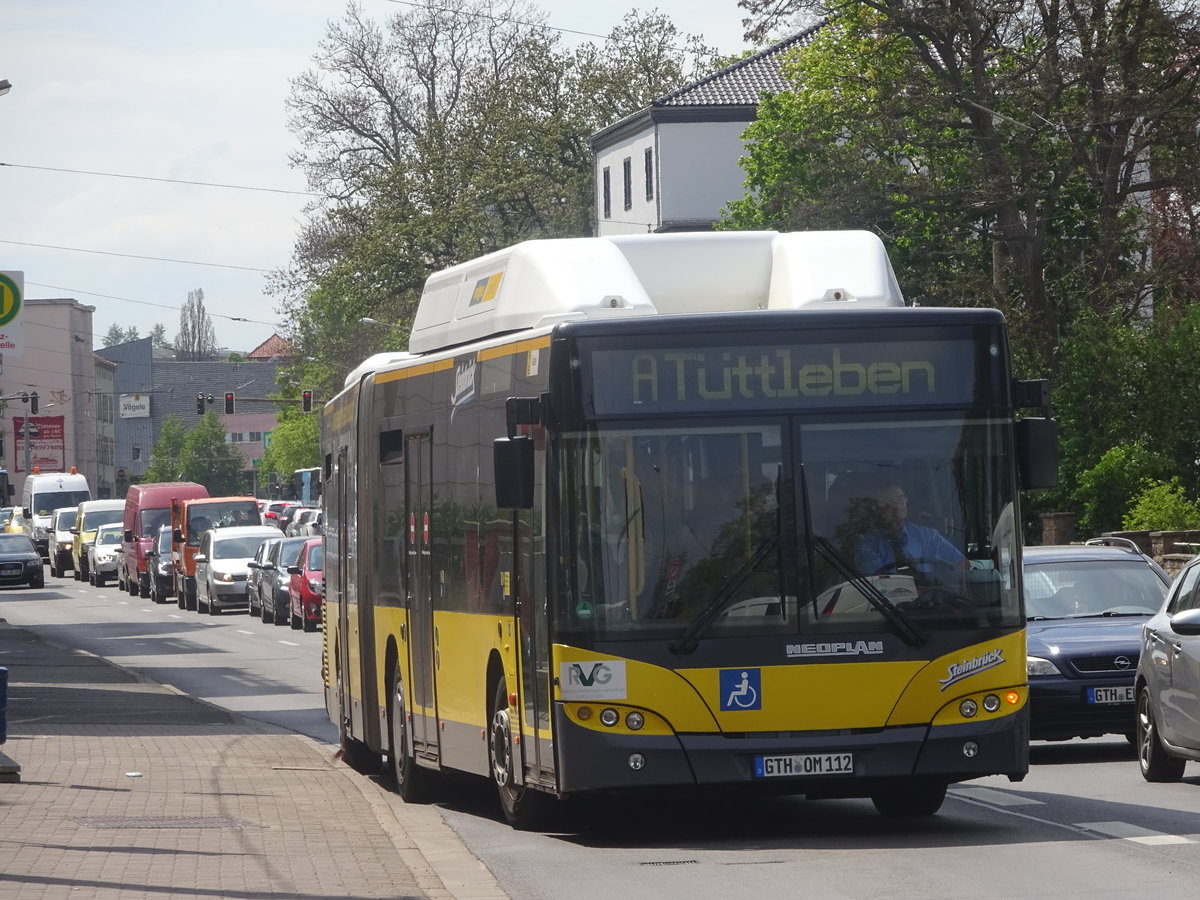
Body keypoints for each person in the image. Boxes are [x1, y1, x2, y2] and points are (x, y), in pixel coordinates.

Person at [848, 481, 965, 577]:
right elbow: (874, 581)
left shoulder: (927, 536)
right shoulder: (867, 542)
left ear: (906, 500)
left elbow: (962, 564)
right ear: (875, 508)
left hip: (929, 599)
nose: (897, 506)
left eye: (900, 499)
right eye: (889, 502)